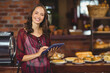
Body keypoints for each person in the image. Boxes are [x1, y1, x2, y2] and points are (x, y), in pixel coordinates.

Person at [16, 3, 55, 73]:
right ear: (31, 14)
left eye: (42, 14)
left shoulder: (46, 32)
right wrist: (37, 54)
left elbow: (47, 55)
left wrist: (51, 53)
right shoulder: (22, 33)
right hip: (29, 70)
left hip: (46, 70)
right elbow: (20, 57)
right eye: (36, 13)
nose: (38, 16)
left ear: (44, 18)